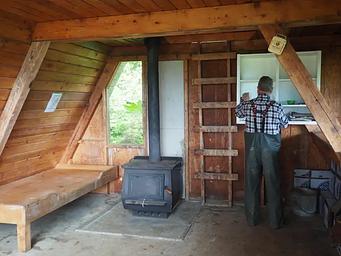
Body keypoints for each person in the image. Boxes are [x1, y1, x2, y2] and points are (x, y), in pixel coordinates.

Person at [235, 76, 289, 229]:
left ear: (258, 89)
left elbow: (237, 114)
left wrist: (243, 100)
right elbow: (285, 124)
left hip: (252, 149)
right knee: (272, 183)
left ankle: (252, 220)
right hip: (270, 150)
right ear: (270, 90)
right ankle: (275, 222)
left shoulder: (248, 104)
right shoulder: (276, 106)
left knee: (251, 183)